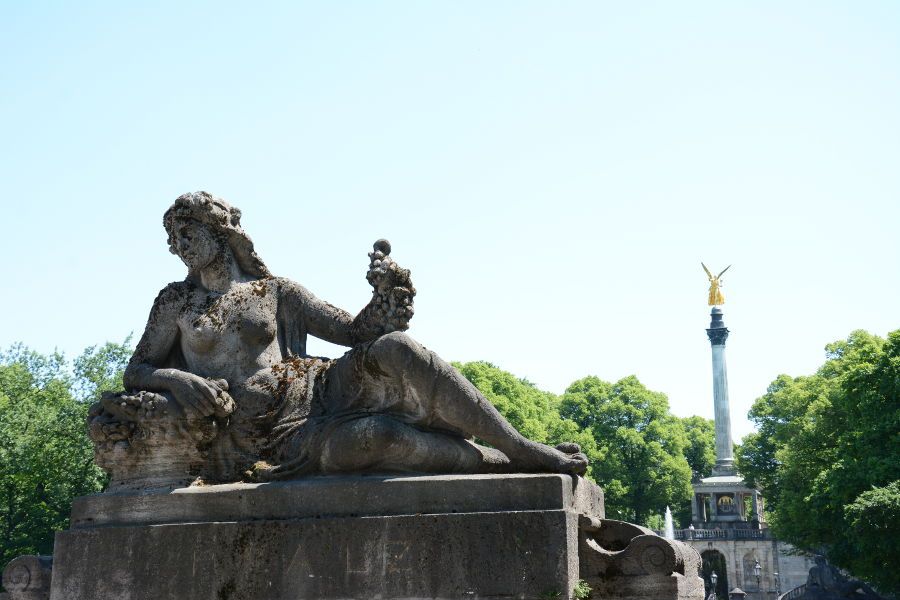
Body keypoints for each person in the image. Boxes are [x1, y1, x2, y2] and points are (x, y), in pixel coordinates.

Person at [119, 191, 587, 482]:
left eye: (186, 232)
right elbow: (136, 369)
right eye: (171, 238)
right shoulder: (175, 302)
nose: (177, 244)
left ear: (218, 232)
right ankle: (497, 461)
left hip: (314, 389)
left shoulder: (275, 291)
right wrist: (178, 380)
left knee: (395, 348)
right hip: (265, 433)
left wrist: (385, 296)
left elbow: (354, 332)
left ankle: (520, 446)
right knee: (377, 438)